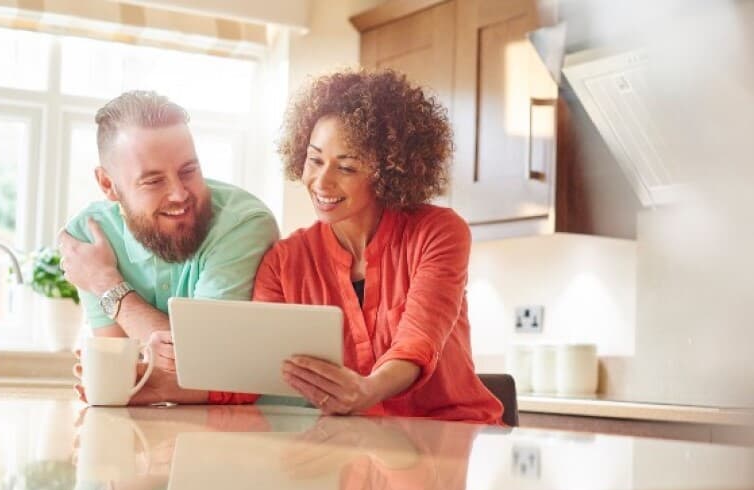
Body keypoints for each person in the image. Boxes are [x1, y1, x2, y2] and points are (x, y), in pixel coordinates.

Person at [252, 69, 504, 423]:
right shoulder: (283, 262)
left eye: (347, 167)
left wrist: (366, 390)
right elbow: (257, 366)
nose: (322, 181)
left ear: (388, 172)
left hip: (449, 436)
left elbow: (417, 342)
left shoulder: (439, 232)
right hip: (353, 446)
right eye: (314, 159)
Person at [59, 90, 278, 405]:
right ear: (108, 184)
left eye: (189, 171)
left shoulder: (242, 224)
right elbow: (125, 372)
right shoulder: (89, 234)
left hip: (259, 428)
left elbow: (204, 362)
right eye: (153, 181)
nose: (179, 194)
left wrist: (107, 284)